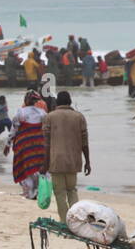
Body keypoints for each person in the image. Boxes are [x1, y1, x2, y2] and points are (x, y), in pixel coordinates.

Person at [42, 90, 90, 221]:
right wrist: (88, 162)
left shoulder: (49, 117)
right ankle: (75, 220)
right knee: (72, 190)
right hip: (73, 162)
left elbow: (46, 144)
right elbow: (84, 142)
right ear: (70, 102)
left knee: (59, 193)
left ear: (57, 102)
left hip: (56, 162)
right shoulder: (79, 117)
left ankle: (65, 220)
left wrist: (44, 165)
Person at [5, 90, 47, 199]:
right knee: (38, 168)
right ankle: (37, 191)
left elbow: (13, 130)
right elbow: (47, 129)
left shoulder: (20, 112)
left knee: (25, 168)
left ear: (26, 100)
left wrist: (7, 145)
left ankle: (30, 193)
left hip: (24, 145)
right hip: (39, 145)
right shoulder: (42, 113)